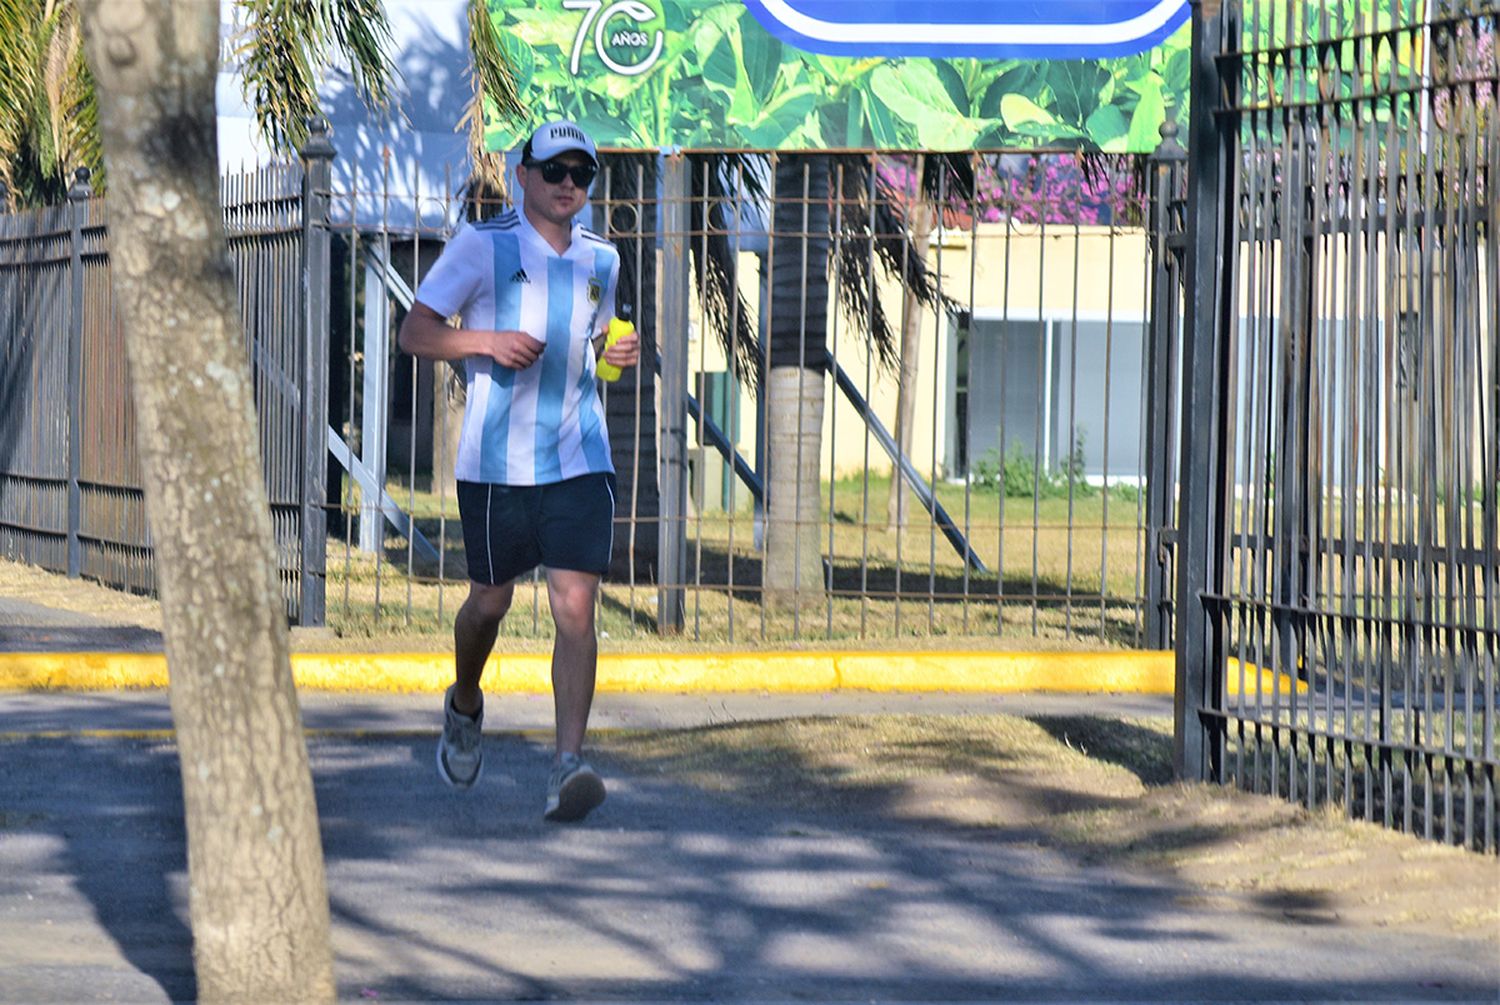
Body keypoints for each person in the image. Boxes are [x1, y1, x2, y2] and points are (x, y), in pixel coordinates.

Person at [397, 120, 640, 823]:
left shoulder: (602, 261)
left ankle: (568, 764)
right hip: (498, 463)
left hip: (579, 455)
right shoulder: (483, 245)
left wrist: (612, 357)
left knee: (574, 606)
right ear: (523, 175)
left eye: (581, 175)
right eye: (555, 171)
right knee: (490, 603)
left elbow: (598, 344)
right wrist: (487, 341)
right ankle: (465, 700)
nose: (569, 185)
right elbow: (415, 332)